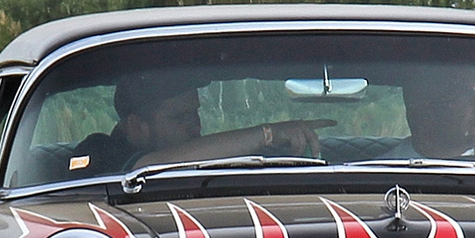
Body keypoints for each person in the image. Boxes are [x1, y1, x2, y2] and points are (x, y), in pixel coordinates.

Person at [71, 69, 330, 176]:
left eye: (195, 114)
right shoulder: (100, 151)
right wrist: (266, 134)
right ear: (137, 126)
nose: (195, 127)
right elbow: (146, 168)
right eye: (179, 118)